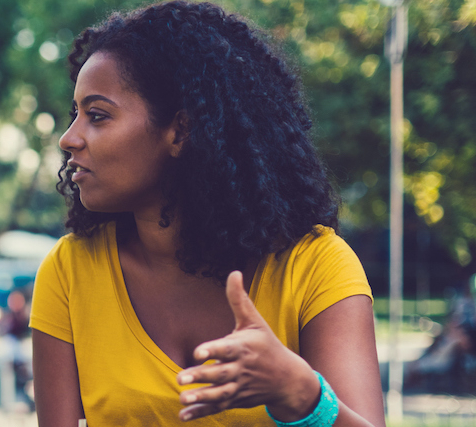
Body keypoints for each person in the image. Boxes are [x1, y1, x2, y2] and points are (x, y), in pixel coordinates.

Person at [29, 2, 385, 426]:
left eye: (97, 115)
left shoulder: (316, 268)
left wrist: (303, 395)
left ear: (180, 130)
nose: (69, 139)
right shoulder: (69, 274)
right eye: (76, 115)